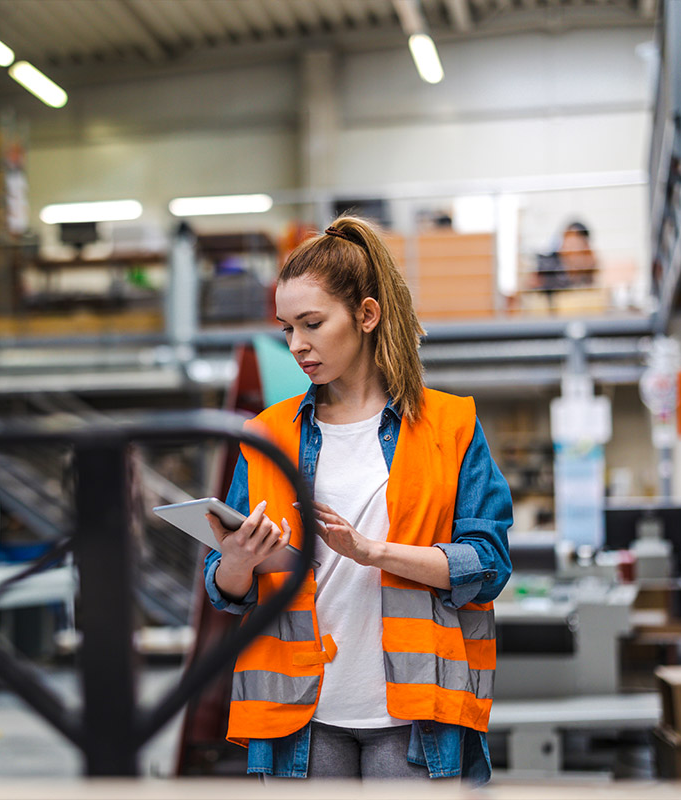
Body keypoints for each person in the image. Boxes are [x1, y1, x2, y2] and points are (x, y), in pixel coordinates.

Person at [202, 216, 513, 784]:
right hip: (301, 716)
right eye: (287, 328)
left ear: (367, 315)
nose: (297, 345)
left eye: (312, 324)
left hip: (413, 715)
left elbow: (488, 565)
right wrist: (238, 565)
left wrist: (373, 552)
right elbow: (225, 592)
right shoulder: (268, 436)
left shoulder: (450, 426)